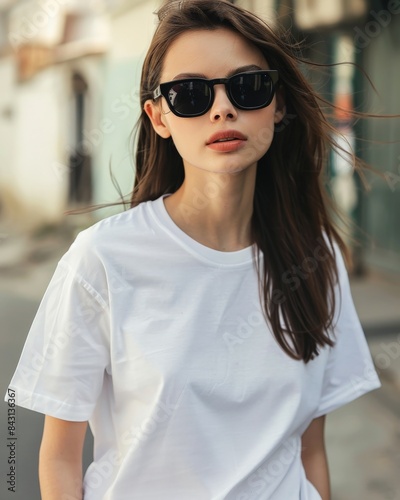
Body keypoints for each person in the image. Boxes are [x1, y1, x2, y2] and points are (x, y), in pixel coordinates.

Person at [6, 1, 381, 499]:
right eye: (190, 94)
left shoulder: (315, 256)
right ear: (158, 117)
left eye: (248, 87)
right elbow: (57, 459)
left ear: (279, 104)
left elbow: (310, 450)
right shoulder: (103, 259)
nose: (222, 109)